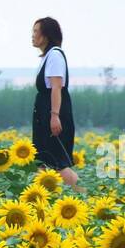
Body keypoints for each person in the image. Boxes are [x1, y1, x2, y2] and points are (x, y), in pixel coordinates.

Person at [31, 17, 82, 190]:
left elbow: (56, 87)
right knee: (42, 160)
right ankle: (41, 199)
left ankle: (85, 194)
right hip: (44, 112)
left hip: (53, 112)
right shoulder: (46, 57)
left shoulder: (55, 55)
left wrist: (54, 116)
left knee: (58, 162)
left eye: (36, 31)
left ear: (46, 35)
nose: (33, 35)